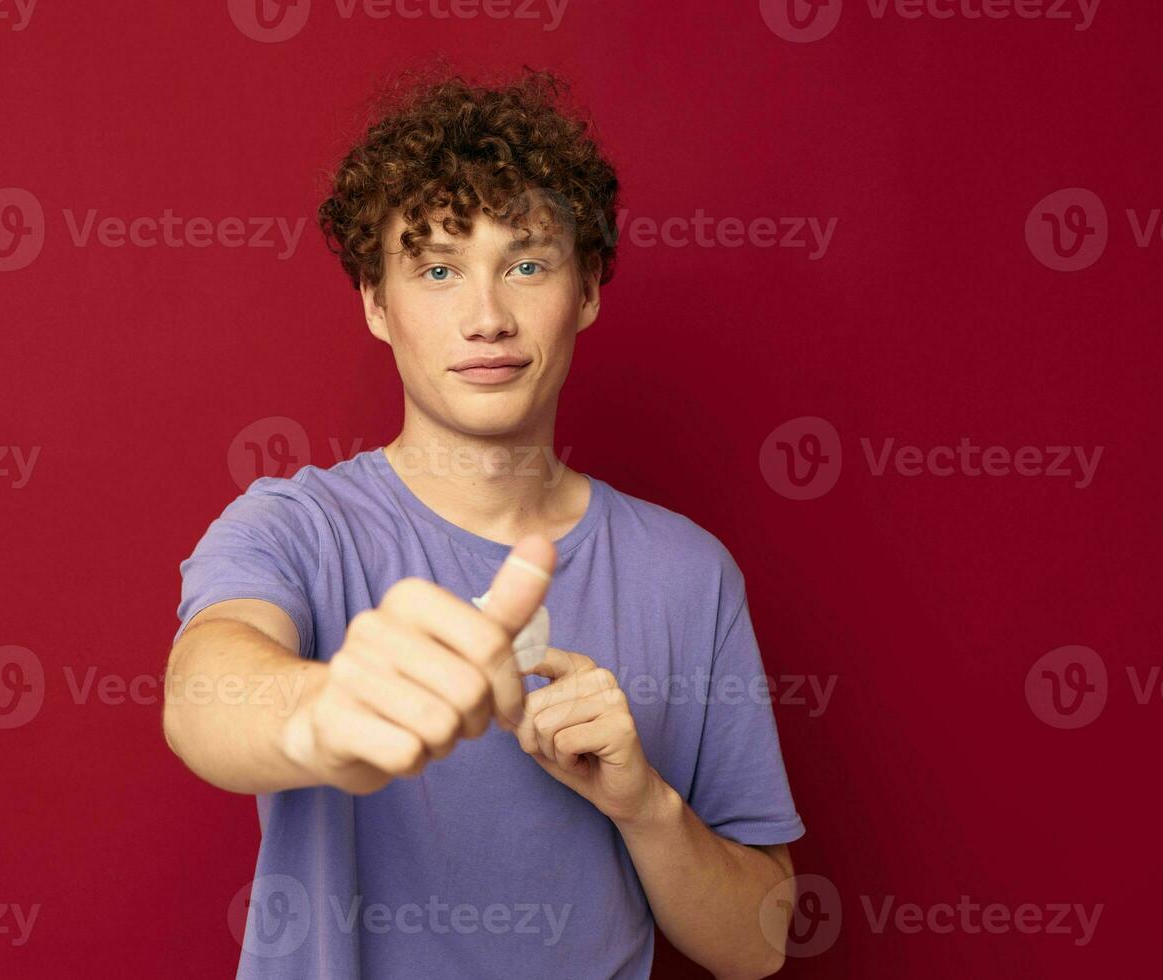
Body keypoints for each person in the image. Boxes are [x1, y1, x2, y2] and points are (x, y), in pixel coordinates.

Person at [162, 65, 805, 980]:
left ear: (584, 292)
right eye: (437, 269)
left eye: (529, 264)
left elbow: (759, 944)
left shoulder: (690, 574)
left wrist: (645, 806)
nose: (488, 317)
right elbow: (203, 693)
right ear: (377, 306)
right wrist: (319, 713)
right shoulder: (293, 527)